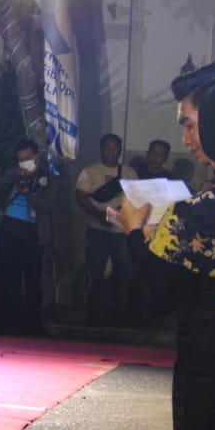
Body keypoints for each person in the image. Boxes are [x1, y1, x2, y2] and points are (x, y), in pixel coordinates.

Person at [119, 65, 215, 430]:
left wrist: (134, 232)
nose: (186, 139)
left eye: (189, 124)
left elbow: (157, 294)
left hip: (213, 372)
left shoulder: (203, 213)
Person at [0, 138, 55, 334]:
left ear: (36, 157)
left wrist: (29, 194)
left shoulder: (47, 177)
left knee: (33, 278)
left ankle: (33, 322)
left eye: (27, 159)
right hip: (10, 227)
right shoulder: (14, 173)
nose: (24, 163)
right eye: (20, 160)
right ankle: (7, 320)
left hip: (33, 231)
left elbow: (47, 206)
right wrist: (14, 174)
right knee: (8, 276)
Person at [75, 133, 138, 323]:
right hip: (97, 229)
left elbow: (137, 199)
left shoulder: (130, 173)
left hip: (122, 231)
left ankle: (121, 315)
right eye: (107, 147)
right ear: (101, 150)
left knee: (124, 274)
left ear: (120, 150)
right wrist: (100, 214)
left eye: (115, 147)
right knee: (95, 272)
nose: (111, 151)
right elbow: (80, 197)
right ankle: (93, 314)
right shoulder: (89, 171)